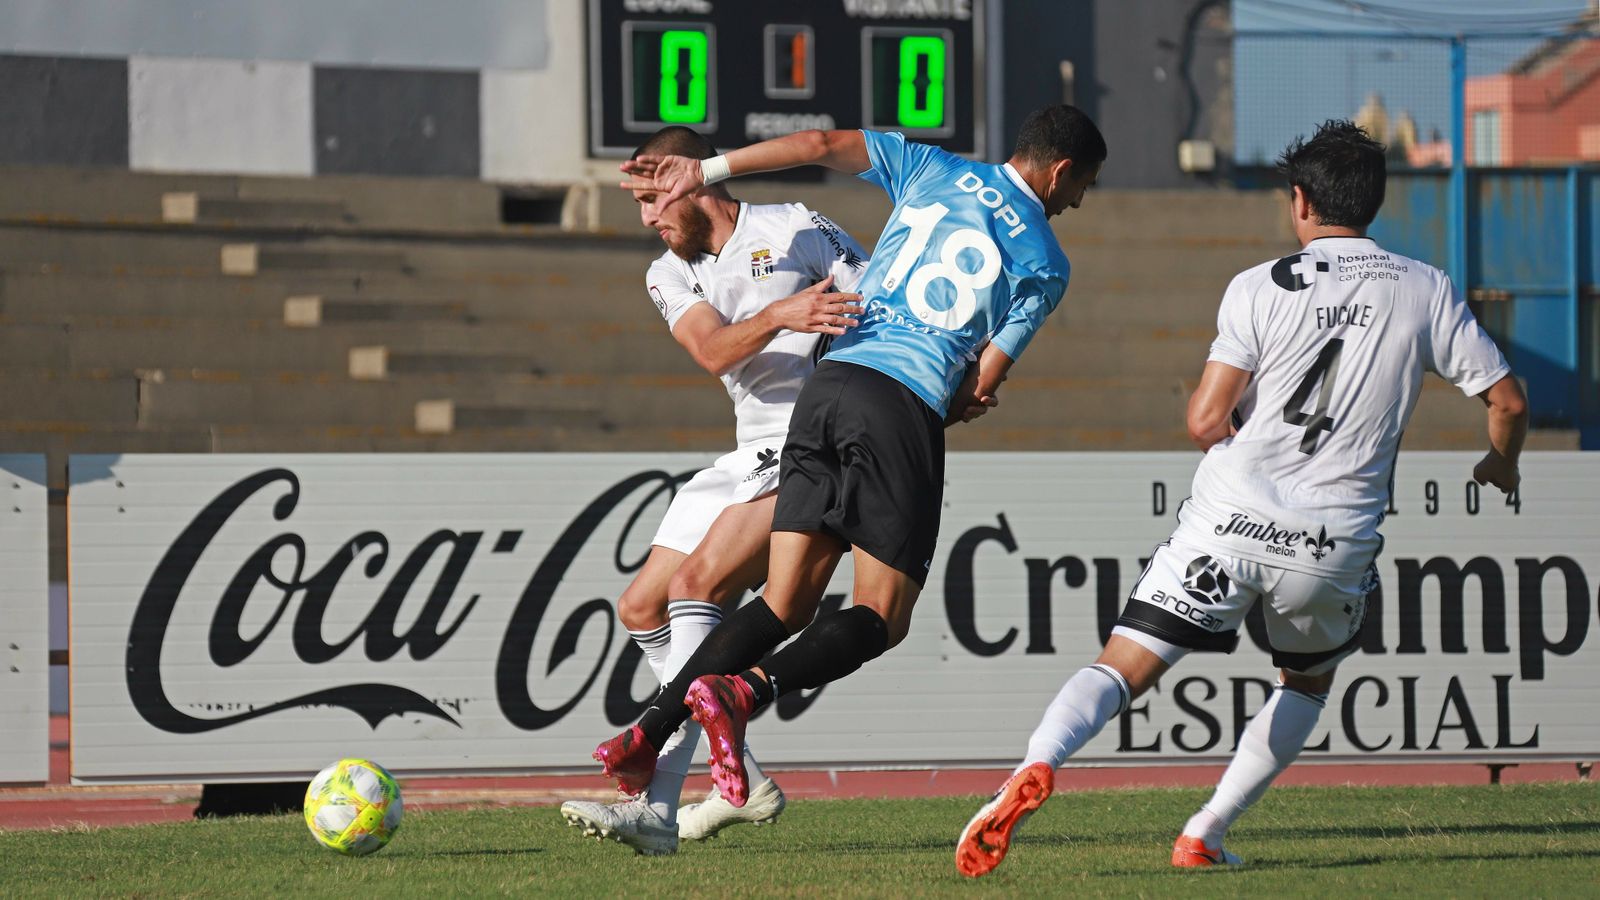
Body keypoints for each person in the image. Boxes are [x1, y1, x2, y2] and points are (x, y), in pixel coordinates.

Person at [954, 120, 1528, 877]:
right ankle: (1205, 831)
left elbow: (1203, 420)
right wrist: (1500, 465)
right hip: (1331, 541)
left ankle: (1035, 764)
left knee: (1123, 665)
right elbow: (1509, 403)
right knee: (1306, 682)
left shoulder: (1258, 285)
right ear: (1375, 204)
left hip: (1230, 520)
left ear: (1299, 201)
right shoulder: (1424, 288)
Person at [593, 106, 1107, 809]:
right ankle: (746, 690)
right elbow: (983, 379)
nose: (1076, 203)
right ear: (1063, 172)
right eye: (1082, 189)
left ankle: (649, 729)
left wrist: (710, 168)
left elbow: (819, 142)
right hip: (900, 403)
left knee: (781, 602)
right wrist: (961, 397)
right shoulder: (1047, 262)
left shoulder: (933, 166)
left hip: (825, 390)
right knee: (882, 614)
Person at [558, 125, 870, 856]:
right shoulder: (667, 271)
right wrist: (779, 316)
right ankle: (745, 778)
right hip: (746, 447)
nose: (646, 218)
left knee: (695, 585)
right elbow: (710, 350)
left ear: (692, 180)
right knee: (639, 605)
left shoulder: (795, 228)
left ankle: (658, 811)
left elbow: (880, 304)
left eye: (651, 197)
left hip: (811, 436)